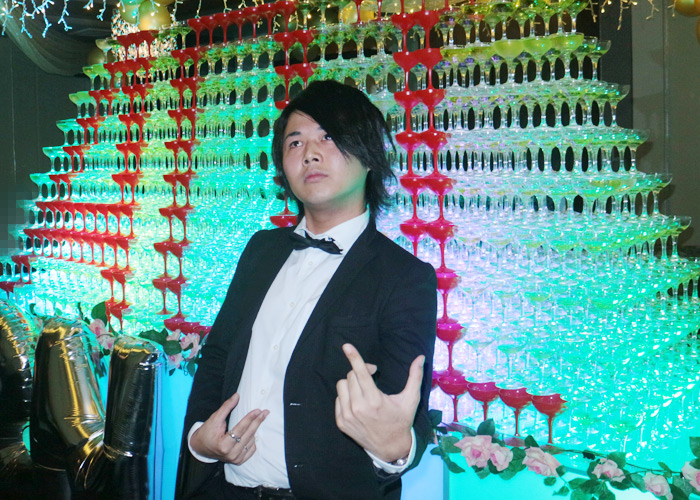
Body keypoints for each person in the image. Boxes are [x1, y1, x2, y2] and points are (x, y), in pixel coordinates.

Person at [177, 80, 437, 500]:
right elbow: (219, 355)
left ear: (369, 154)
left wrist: (396, 449)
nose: (310, 153)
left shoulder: (405, 276)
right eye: (295, 143)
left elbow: (405, 406)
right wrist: (198, 437)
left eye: (328, 137)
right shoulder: (261, 249)